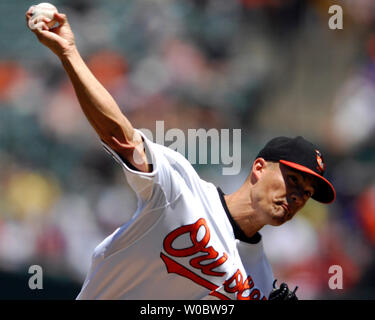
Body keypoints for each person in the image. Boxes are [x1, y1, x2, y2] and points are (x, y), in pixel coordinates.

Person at [25, 8, 335, 300]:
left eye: (306, 193)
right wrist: (69, 54)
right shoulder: (182, 189)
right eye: (293, 180)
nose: (297, 196)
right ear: (257, 168)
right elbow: (120, 136)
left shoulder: (262, 281)